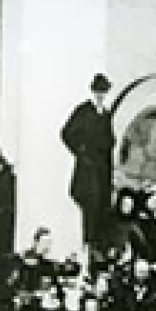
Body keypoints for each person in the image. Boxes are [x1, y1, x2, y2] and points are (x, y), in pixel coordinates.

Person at [60, 74, 115, 251]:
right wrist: (82, 151)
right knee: (89, 207)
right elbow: (67, 132)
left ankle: (97, 247)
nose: (101, 95)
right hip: (88, 171)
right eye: (99, 91)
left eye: (104, 92)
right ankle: (87, 245)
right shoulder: (84, 111)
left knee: (102, 209)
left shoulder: (106, 115)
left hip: (102, 171)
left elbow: (109, 141)